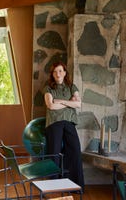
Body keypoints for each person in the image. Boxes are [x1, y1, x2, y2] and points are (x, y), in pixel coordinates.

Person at [44, 61, 85, 189]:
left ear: (65, 72)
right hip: (54, 122)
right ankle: (53, 186)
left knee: (75, 150)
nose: (58, 74)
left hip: (69, 122)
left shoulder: (71, 86)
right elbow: (50, 105)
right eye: (55, 71)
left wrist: (60, 102)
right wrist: (69, 102)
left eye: (60, 71)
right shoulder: (48, 88)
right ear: (52, 74)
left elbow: (78, 104)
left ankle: (73, 185)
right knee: (54, 153)